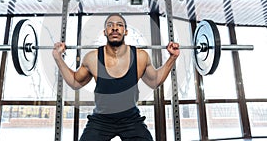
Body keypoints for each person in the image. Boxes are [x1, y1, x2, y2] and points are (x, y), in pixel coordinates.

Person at [52, 13, 180, 141]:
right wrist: (58, 57)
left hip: (131, 119)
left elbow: (155, 81)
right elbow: (75, 82)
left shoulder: (140, 57)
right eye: (110, 25)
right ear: (105, 32)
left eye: (119, 25)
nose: (114, 28)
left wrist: (172, 57)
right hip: (101, 120)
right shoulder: (92, 58)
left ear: (125, 31)